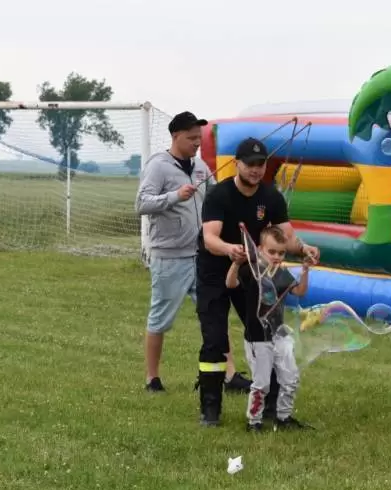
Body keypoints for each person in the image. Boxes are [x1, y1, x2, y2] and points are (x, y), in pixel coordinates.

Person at [195, 136, 320, 427]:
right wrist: (230, 249)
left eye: (260, 164)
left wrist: (305, 249)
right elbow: (209, 238)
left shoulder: (271, 197)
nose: (255, 169)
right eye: (249, 164)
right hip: (215, 272)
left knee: (268, 332)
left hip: (253, 274)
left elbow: (287, 237)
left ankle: (273, 410)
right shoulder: (219, 194)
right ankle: (210, 409)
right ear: (236, 164)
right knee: (214, 339)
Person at [135, 111, 215, 392]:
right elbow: (141, 204)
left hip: (201, 255)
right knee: (160, 318)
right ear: (176, 136)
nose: (197, 143)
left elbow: (215, 196)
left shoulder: (201, 166)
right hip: (169, 256)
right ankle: (152, 378)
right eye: (192, 138)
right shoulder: (158, 166)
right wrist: (174, 196)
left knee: (213, 314)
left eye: (199, 138)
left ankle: (226, 376)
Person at [225, 226, 311, 432]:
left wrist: (305, 270)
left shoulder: (282, 274)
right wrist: (236, 264)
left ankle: (284, 417)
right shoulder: (251, 271)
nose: (276, 257)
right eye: (272, 252)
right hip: (258, 338)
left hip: (279, 335)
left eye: (281, 253)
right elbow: (230, 284)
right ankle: (254, 421)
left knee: (290, 378)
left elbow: (299, 291)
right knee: (262, 383)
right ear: (260, 249)